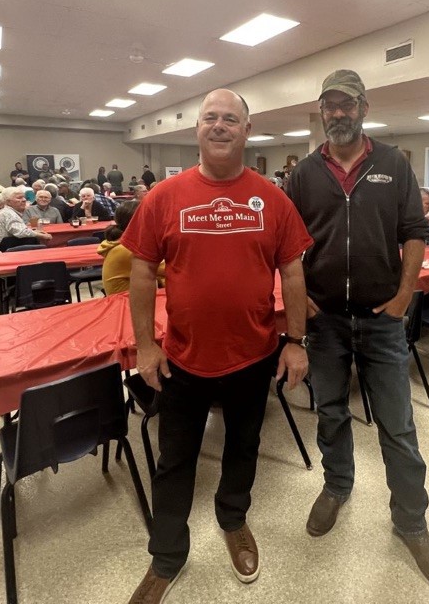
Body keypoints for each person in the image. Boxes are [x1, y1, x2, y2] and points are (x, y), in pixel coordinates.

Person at [122, 88, 311, 604]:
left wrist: (295, 341)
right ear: (197, 130)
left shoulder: (273, 199)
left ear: (247, 130)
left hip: (254, 355)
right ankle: (167, 557)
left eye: (231, 118)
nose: (220, 125)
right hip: (182, 358)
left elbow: (292, 272)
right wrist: (145, 345)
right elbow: (140, 271)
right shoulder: (164, 197)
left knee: (243, 447)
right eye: (211, 118)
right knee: (174, 460)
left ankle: (233, 520)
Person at [286, 69, 429, 592]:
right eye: (329, 105)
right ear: (321, 111)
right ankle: (337, 486)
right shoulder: (305, 173)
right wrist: (304, 301)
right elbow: (287, 245)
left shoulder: (393, 164)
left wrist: (405, 295)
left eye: (347, 104)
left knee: (398, 427)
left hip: (382, 319)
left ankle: (412, 523)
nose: (338, 113)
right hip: (327, 320)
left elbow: (415, 233)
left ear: (364, 107)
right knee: (331, 413)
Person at [97, 201, 166, 295]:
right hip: (125, 303)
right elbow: (170, 269)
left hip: (130, 298)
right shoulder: (128, 249)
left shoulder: (123, 242)